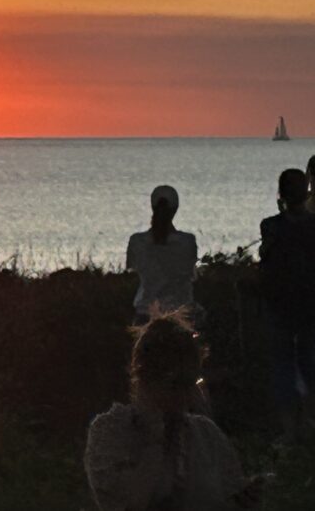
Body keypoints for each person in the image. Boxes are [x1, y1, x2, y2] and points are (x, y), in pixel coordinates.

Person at [85, 311, 260, 510]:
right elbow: (130, 503)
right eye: (177, 384)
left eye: (194, 382)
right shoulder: (110, 433)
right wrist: (154, 437)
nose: (190, 396)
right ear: (145, 381)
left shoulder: (206, 435)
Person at [259, 168, 315, 443]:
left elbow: (265, 260)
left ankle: (289, 430)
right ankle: (307, 423)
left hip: (279, 304)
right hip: (309, 304)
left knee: (282, 366)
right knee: (309, 362)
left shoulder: (270, 226)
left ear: (280, 194)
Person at [126, 185, 199, 325]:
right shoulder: (187, 241)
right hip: (180, 314)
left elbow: (132, 270)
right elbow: (190, 273)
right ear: (175, 209)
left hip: (145, 313)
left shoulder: (137, 241)